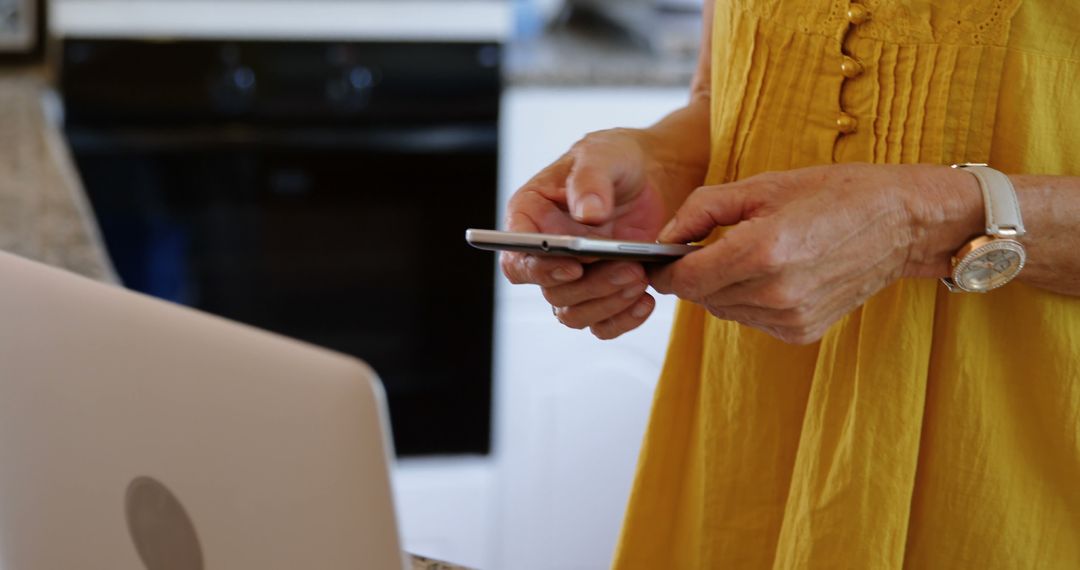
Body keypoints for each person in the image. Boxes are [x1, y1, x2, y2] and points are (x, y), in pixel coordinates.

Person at [501, 0, 1080, 567]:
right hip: (746, 437)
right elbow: (723, 91)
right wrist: (663, 166)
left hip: (1010, 459)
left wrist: (922, 220)